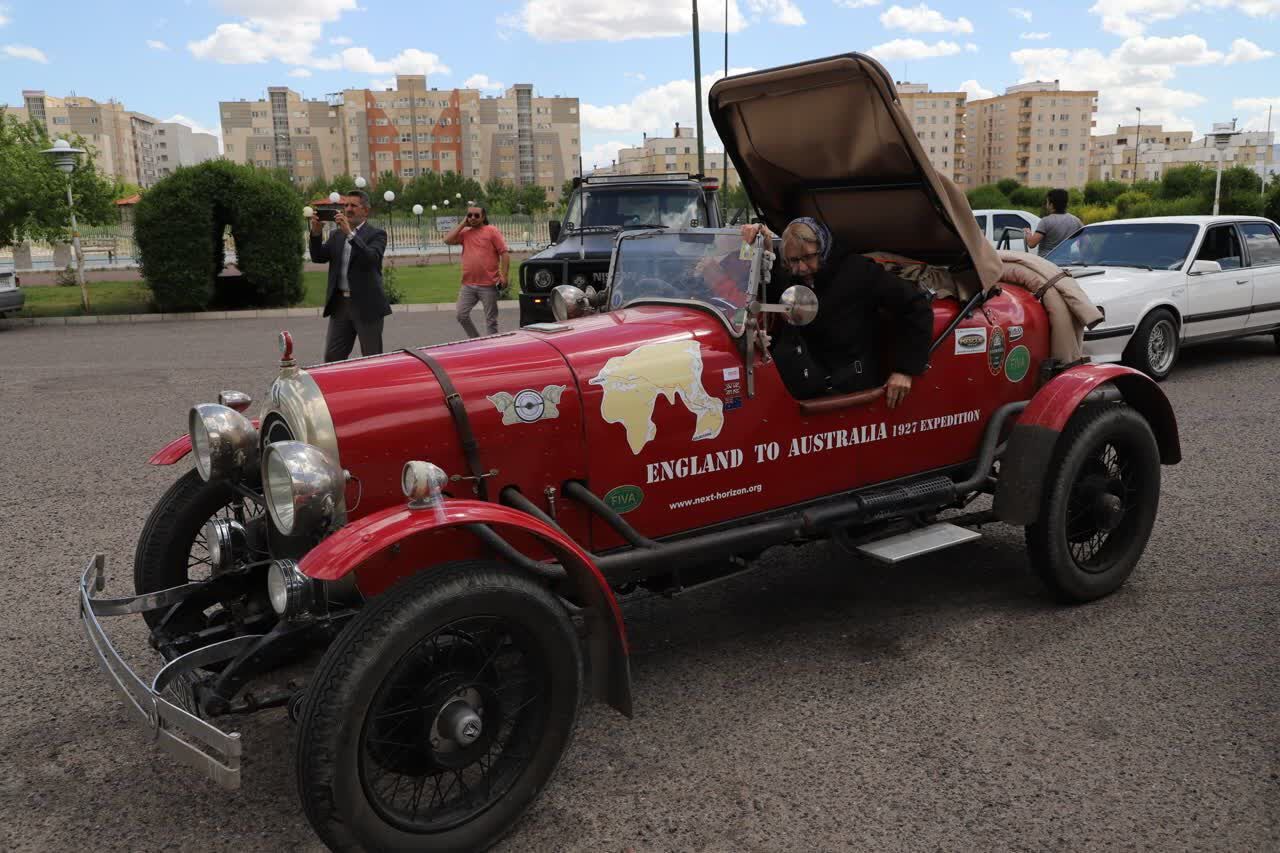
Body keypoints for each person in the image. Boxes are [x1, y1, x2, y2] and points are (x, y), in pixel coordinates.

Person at [741, 218, 932, 408]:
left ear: (823, 249)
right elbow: (768, 289)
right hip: (801, 380)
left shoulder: (857, 271)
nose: (801, 267)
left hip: (848, 388)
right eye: (793, 260)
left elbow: (915, 306)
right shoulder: (792, 275)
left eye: (808, 257)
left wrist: (905, 370)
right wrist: (760, 245)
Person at [309, 190, 390, 362]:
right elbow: (318, 257)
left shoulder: (377, 234)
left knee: (372, 357)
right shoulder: (336, 235)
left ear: (366, 211)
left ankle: (373, 389)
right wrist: (315, 233)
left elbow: (371, 258)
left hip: (367, 305)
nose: (348, 209)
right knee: (332, 357)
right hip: (340, 305)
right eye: (346, 205)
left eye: (353, 205)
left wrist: (351, 235)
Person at [445, 205, 510, 337]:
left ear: (483, 217)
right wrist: (463, 223)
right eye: (469, 215)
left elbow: (504, 254)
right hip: (468, 285)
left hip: (488, 285)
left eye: (476, 215)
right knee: (461, 315)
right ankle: (475, 339)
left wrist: (504, 276)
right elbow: (447, 240)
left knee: (491, 321)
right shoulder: (465, 234)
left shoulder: (491, 231)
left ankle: (492, 347)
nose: (472, 218)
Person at [1024, 188, 1083, 257]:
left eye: (1047, 202)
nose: (1046, 205)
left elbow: (1031, 244)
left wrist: (1028, 233)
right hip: (1066, 263)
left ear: (1051, 205)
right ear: (1066, 203)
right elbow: (1086, 243)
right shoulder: (1076, 221)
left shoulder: (1046, 221)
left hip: (1047, 262)